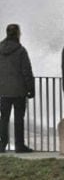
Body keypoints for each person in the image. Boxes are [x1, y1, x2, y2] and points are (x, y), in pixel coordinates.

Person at [0, 23, 35, 153]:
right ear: (18, 34)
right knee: (19, 119)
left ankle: (2, 144)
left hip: (3, 91)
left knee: (4, 119)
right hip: (19, 91)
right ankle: (19, 145)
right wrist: (31, 89)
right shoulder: (20, 50)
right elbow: (26, 71)